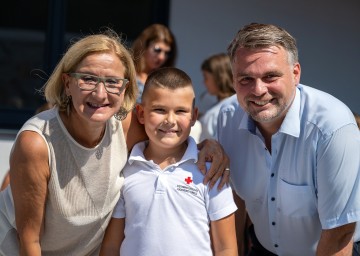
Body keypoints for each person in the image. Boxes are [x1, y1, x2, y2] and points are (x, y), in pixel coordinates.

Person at [0, 30, 229, 255]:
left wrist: (207, 146)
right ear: (67, 83)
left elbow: (172, 137)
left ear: (125, 89)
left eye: (112, 82)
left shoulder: (127, 127)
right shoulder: (37, 142)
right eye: (88, 79)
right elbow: (29, 241)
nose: (100, 94)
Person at [217, 23, 360, 255]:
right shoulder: (227, 118)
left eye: (270, 76)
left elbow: (339, 231)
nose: (258, 90)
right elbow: (235, 197)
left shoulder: (332, 127)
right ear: (233, 80)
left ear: (295, 73)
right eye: (245, 79)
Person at [100, 67, 238, 256]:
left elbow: (226, 248)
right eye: (159, 110)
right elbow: (111, 248)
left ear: (194, 116)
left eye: (181, 111)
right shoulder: (125, 169)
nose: (170, 120)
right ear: (140, 113)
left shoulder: (211, 171)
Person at [131, 23, 177, 103]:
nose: (162, 57)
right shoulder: (127, 73)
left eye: (167, 53)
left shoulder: (166, 80)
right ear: (144, 47)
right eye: (157, 50)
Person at [199, 53, 235, 141]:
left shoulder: (231, 107)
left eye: (206, 77)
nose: (203, 82)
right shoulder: (215, 103)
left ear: (219, 78)